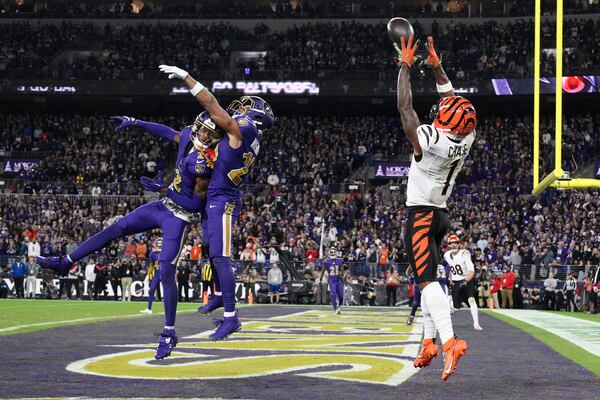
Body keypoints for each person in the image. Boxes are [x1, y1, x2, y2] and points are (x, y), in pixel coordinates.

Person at [36, 109, 223, 359]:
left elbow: (195, 205)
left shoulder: (205, 163)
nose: (204, 135)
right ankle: (65, 263)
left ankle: (169, 332)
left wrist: (164, 189)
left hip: (179, 217)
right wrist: (137, 122)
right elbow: (167, 132)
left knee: (166, 270)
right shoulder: (189, 136)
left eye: (210, 134)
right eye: (203, 130)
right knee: (118, 227)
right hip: (162, 207)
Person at [159, 64, 274, 340]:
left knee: (221, 256)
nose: (241, 109)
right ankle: (221, 296)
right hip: (215, 196)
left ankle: (232, 317)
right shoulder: (247, 135)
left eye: (247, 107)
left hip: (223, 198)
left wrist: (187, 78)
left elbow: (211, 105)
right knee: (211, 248)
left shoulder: (242, 129)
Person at [395, 35, 476, 380]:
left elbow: (404, 107)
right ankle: (428, 341)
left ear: (443, 120)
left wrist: (405, 66)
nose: (440, 108)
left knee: (428, 283)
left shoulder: (430, 139)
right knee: (423, 277)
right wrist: (438, 67)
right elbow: (450, 97)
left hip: (422, 215)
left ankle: (448, 341)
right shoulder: (467, 136)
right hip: (441, 213)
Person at [445, 235, 482, 331]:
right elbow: (451, 269)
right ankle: (449, 305)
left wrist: (466, 280)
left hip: (467, 280)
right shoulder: (446, 255)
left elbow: (471, 270)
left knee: (471, 300)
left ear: (458, 244)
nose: (453, 245)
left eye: (455, 243)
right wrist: (451, 279)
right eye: (451, 243)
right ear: (449, 245)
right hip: (456, 282)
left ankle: (476, 323)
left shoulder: (464, 253)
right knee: (456, 308)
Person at [141, 239, 163, 314]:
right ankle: (149, 308)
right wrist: (148, 275)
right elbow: (152, 265)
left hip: (165, 273)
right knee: (152, 290)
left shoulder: (165, 252)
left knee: (168, 291)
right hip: (157, 273)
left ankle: (170, 309)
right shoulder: (153, 254)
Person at [322, 248, 344, 313]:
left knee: (341, 296)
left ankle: (339, 306)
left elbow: (342, 269)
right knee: (333, 294)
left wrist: (342, 274)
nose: (333, 254)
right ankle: (335, 308)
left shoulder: (340, 260)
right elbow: (323, 270)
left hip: (339, 280)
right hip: (332, 280)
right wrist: (320, 278)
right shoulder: (327, 261)